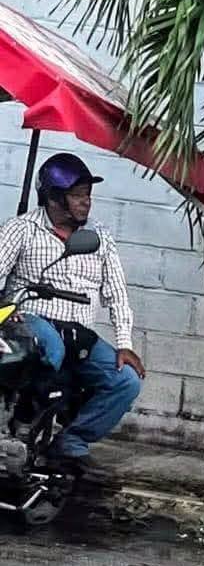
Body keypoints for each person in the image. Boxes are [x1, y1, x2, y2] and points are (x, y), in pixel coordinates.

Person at [0, 153, 145, 470]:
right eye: (77, 196)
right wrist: (6, 310)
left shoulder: (99, 236)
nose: (86, 203)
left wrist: (125, 343)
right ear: (53, 198)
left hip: (80, 334)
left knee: (127, 381)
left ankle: (72, 441)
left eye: (88, 195)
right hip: (33, 320)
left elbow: (117, 293)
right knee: (49, 347)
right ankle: (20, 421)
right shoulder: (20, 229)